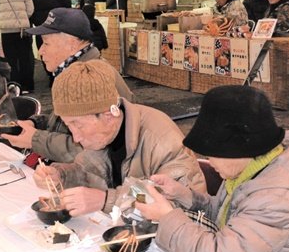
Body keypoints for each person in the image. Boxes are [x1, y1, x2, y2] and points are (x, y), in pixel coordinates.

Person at [135, 85, 289, 252]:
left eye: (212, 154)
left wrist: (167, 217)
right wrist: (183, 195)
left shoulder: (276, 199)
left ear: (239, 150)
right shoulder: (254, 168)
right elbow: (229, 214)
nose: (210, 162)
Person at [31, 60, 206, 216]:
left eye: (79, 125)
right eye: (69, 126)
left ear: (108, 115)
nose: (76, 137)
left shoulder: (162, 139)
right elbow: (88, 172)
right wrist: (61, 175)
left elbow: (172, 199)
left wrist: (106, 200)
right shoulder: (102, 135)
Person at [3, 7, 131, 163]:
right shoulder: (75, 71)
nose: (40, 51)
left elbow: (92, 147)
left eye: (46, 43)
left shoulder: (89, 80)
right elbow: (65, 122)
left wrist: (35, 139)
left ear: (71, 44)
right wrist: (37, 123)